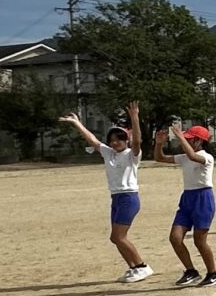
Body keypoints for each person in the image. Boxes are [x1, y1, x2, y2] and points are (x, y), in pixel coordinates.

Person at [59, 102, 151, 282]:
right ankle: (133, 268)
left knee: (119, 236)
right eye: (112, 139)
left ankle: (142, 266)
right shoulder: (109, 153)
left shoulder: (132, 155)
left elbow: (138, 141)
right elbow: (92, 140)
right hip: (116, 198)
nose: (115, 142)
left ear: (126, 141)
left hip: (128, 198)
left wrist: (134, 117)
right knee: (115, 238)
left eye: (119, 139)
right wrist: (76, 123)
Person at [149, 121, 216, 287]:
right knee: (175, 237)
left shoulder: (206, 157)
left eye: (190, 139)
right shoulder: (184, 157)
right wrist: (158, 144)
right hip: (187, 198)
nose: (186, 141)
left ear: (199, 141)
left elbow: (193, 156)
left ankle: (213, 273)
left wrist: (180, 137)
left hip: (203, 198)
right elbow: (159, 158)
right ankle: (191, 271)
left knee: (199, 241)